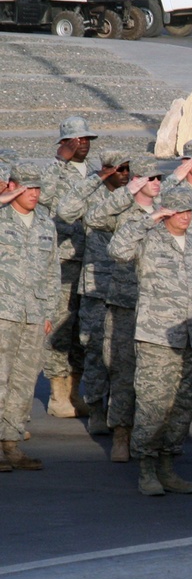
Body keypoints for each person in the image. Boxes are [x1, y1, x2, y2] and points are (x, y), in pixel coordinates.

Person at [108, 185, 192, 496]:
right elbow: (118, 249)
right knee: (154, 405)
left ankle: (168, 466)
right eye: (177, 211)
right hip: (157, 337)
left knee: (182, 407)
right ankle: (147, 467)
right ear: (165, 211)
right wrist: (149, 219)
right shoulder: (148, 240)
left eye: (188, 211)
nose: (184, 216)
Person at [84, 155, 163, 461]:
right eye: (150, 178)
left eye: (159, 179)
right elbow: (93, 218)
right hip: (125, 303)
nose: (156, 184)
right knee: (122, 370)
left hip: (156, 304)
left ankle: (151, 437)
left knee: (154, 375)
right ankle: (121, 433)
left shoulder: (164, 212)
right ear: (136, 181)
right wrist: (126, 193)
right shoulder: (123, 209)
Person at [55, 150, 131, 435]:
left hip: (127, 289)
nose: (124, 174)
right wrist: (95, 180)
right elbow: (66, 210)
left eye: (127, 169)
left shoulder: (135, 196)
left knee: (124, 355)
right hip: (97, 288)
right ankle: (97, 408)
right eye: (118, 169)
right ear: (107, 170)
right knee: (96, 352)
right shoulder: (92, 196)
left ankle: (121, 412)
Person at [0, 163, 59, 471]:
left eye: (37, 189)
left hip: (33, 313)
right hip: (3, 311)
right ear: (13, 187)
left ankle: (10, 443)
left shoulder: (46, 224)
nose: (33, 194)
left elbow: (52, 271)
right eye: (27, 188)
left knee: (23, 382)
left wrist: (48, 311)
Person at [40, 116, 98, 418]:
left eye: (87, 139)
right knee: (61, 325)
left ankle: (75, 391)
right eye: (77, 139)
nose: (83, 143)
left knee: (82, 330)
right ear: (64, 143)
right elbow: (45, 200)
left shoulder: (94, 172)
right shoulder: (53, 172)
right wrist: (58, 163)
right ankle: (57, 394)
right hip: (64, 260)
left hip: (90, 260)